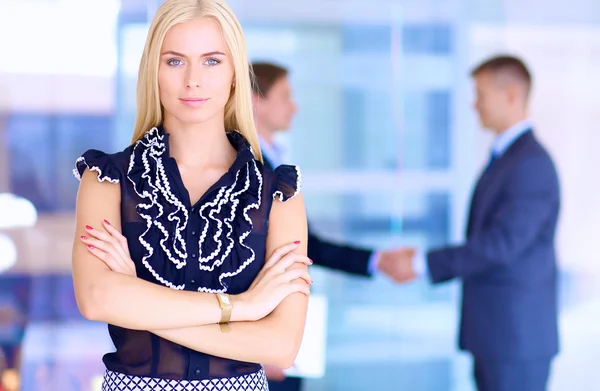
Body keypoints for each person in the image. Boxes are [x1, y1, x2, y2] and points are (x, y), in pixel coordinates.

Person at [71, 1, 312, 390]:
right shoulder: (106, 179)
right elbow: (98, 299)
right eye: (175, 61)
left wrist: (139, 301)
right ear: (154, 70)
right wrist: (243, 308)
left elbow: (281, 346)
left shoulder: (279, 195)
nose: (193, 80)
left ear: (235, 73)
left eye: (212, 61)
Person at [388, 55, 560, 391]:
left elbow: (501, 244)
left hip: (515, 338)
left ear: (511, 94)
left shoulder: (530, 163)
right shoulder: (509, 157)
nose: (474, 104)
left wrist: (423, 263)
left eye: (480, 94)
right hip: (500, 336)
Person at [250, 62, 411, 390]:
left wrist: (377, 260)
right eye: (285, 96)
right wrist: (256, 349)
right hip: (262, 342)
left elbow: (303, 245)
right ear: (255, 101)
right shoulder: (249, 167)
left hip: (279, 335)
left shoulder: (272, 162)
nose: (294, 106)